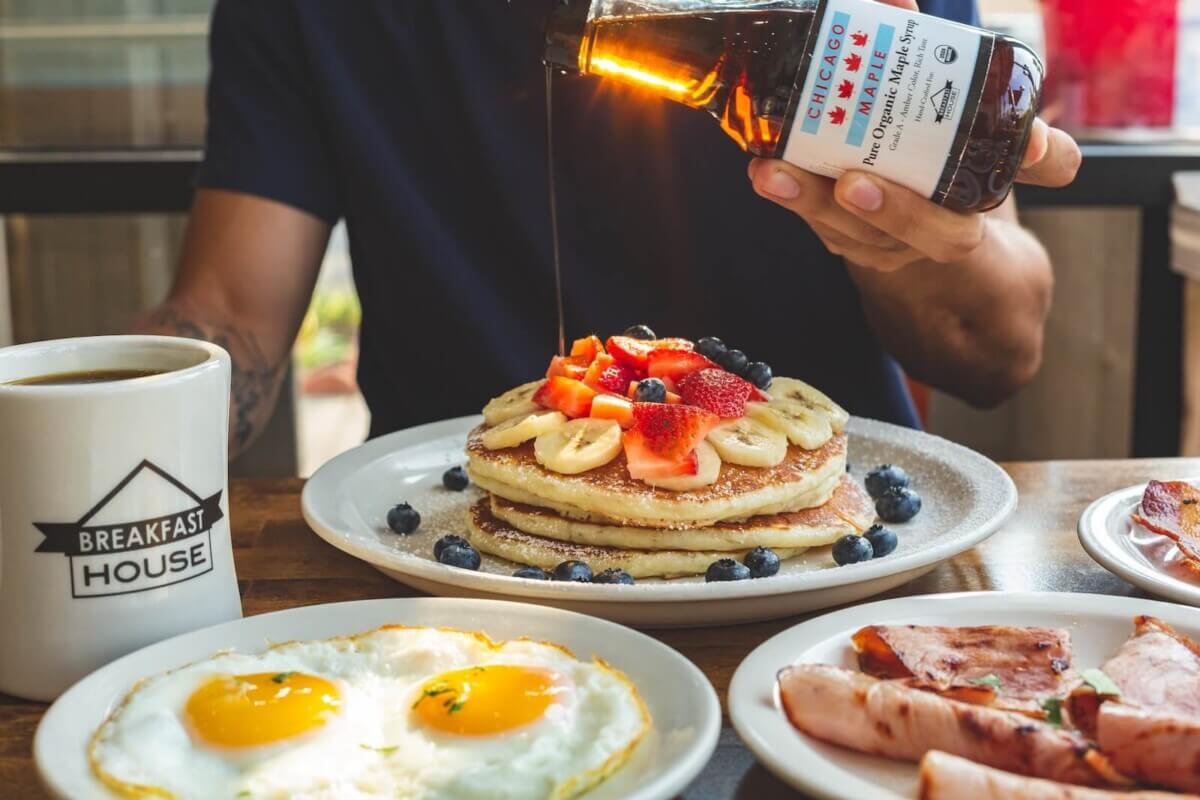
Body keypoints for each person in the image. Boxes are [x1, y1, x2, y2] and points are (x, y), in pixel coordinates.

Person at [136, 0, 1080, 458]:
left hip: (824, 560)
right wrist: (83, 425)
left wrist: (904, 243)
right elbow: (230, 318)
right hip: (451, 554)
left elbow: (994, 348)